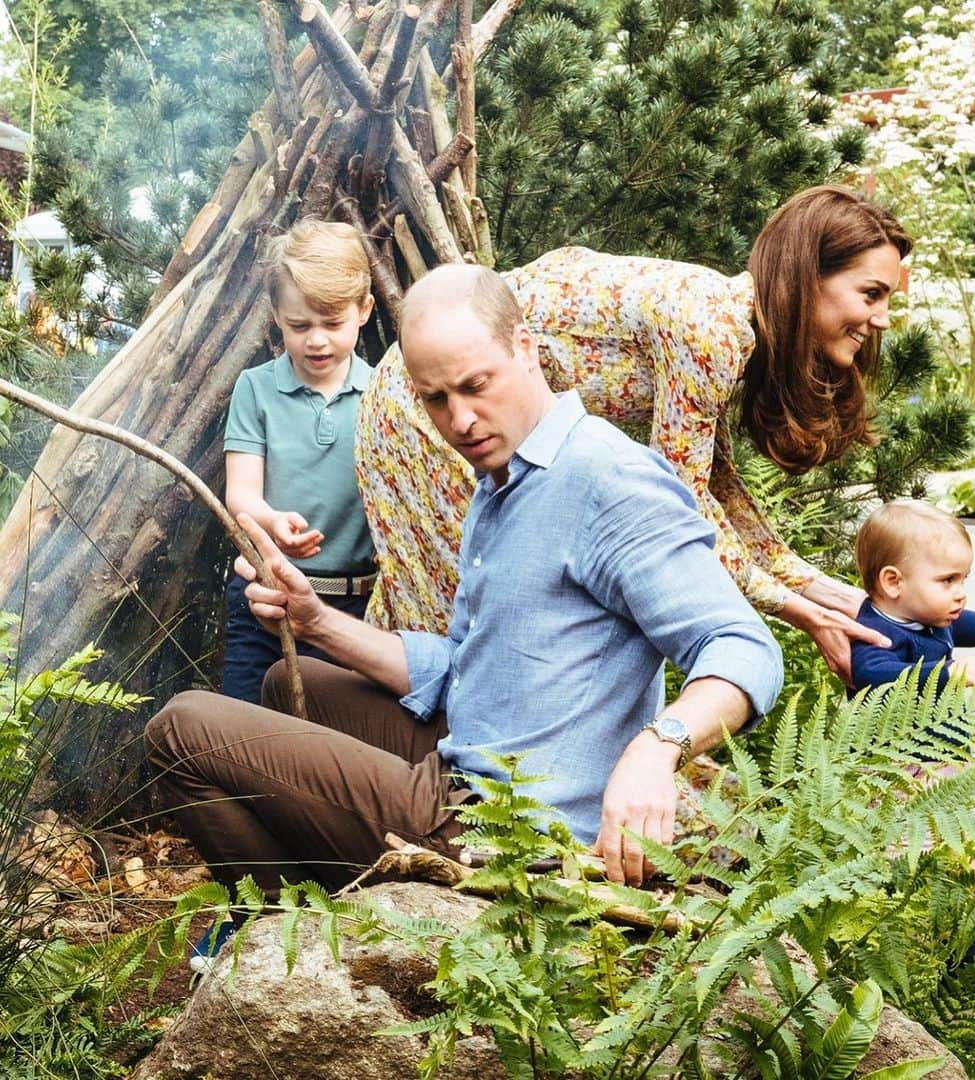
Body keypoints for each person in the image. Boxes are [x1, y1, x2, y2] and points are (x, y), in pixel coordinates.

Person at [144, 265, 783, 966]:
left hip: (509, 834)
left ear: (528, 348)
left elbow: (743, 647)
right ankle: (326, 912)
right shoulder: (504, 480)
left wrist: (658, 747)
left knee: (181, 729)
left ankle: (297, 930)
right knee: (288, 687)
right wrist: (315, 620)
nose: (461, 420)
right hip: (478, 754)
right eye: (436, 399)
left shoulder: (608, 480)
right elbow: (473, 669)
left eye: (477, 386)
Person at [356, 185, 911, 685]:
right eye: (871, 293)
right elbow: (683, 508)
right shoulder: (711, 328)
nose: (882, 318)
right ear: (809, 277)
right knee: (466, 613)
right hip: (421, 401)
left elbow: (716, 486)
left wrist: (819, 589)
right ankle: (448, 782)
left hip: (445, 400)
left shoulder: (732, 326)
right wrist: (795, 609)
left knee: (445, 603)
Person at [220, 219, 379, 703]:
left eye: (333, 324)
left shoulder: (382, 394)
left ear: (364, 310)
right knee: (246, 734)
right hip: (265, 595)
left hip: (354, 607)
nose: (317, 341)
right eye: (300, 325)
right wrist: (272, 521)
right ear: (276, 316)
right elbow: (240, 493)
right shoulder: (256, 389)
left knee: (332, 747)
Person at [850, 500, 975, 697]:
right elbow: (871, 675)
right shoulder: (875, 632)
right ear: (893, 582)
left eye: (963, 579)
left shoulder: (928, 615)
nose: (961, 593)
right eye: (948, 580)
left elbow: (963, 624)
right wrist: (948, 673)